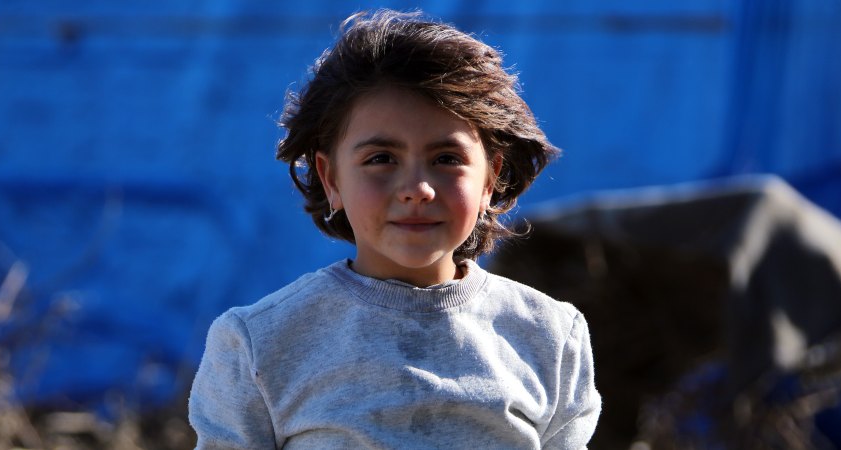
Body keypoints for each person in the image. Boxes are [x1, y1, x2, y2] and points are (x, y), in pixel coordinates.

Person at [189, 9, 600, 449]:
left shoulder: (550, 337)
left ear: (490, 178)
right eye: (381, 158)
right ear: (331, 179)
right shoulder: (257, 344)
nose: (418, 189)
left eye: (447, 159)